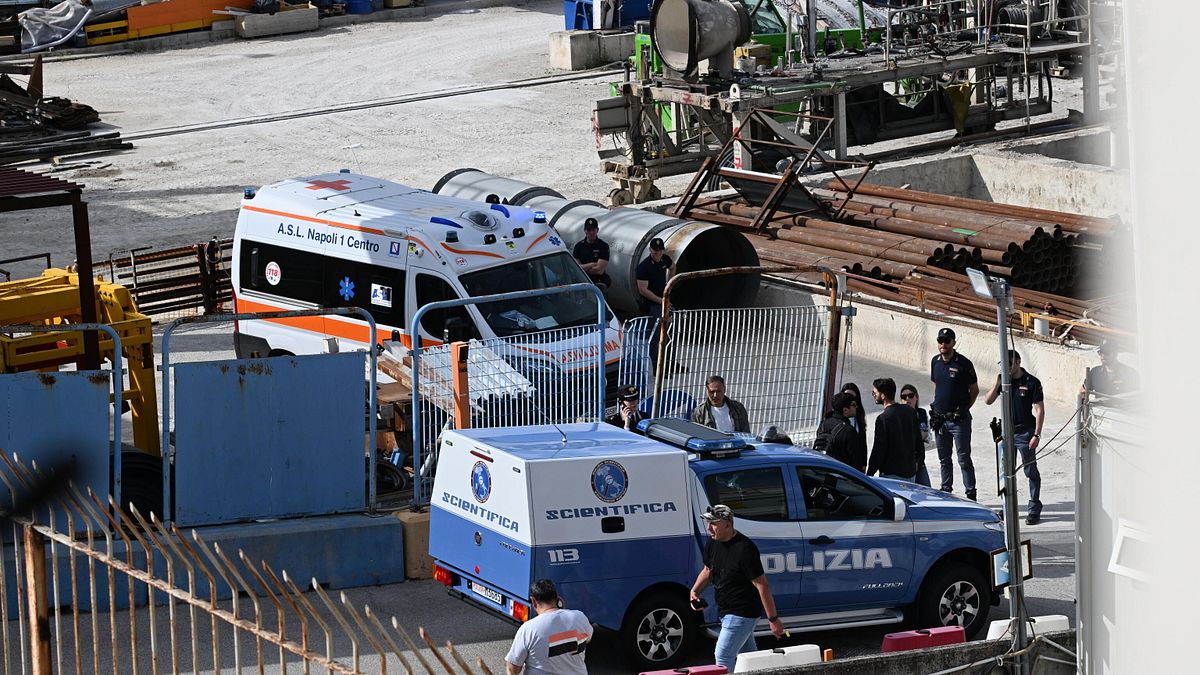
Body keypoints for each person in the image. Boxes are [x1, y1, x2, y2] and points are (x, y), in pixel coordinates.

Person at [690, 505, 784, 670]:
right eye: (707, 522)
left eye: (713, 523)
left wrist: (773, 620)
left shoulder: (745, 549)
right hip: (725, 610)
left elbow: (762, 585)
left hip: (743, 612)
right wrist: (695, 591)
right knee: (749, 656)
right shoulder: (713, 542)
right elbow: (708, 570)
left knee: (723, 655)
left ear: (727, 524)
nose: (708, 527)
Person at [985, 350, 1045, 525]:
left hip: (1025, 432)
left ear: (1018, 361)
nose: (1007, 367)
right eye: (1004, 364)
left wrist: (1037, 434)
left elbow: (1039, 409)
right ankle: (1007, 507)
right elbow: (988, 401)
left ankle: (1034, 507)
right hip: (1006, 433)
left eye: (1010, 363)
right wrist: (997, 383)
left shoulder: (1031, 382)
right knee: (1007, 473)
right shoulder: (1004, 382)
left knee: (1030, 471)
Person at [930, 327, 979, 500]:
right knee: (944, 459)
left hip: (959, 421)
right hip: (940, 420)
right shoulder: (935, 361)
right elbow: (937, 385)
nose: (943, 344)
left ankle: (971, 493)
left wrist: (964, 408)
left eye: (947, 341)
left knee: (964, 458)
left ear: (953, 343)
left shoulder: (964, 364)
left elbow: (974, 390)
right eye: (940, 341)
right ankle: (946, 490)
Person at [505, 579, 592, 675]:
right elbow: (587, 639)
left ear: (533, 601)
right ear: (558, 598)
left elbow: (512, 668)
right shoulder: (580, 617)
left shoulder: (529, 629)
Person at [867, 378, 921, 481]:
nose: (873, 394)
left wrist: (870, 473)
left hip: (891, 475)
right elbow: (918, 441)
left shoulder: (883, 419)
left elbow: (879, 449)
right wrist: (918, 462)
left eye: (875, 392)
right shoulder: (910, 411)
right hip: (910, 473)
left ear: (883, 396)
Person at [814, 392, 866, 472]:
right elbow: (856, 462)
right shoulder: (848, 430)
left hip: (823, 471)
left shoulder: (823, 425)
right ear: (845, 410)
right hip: (841, 475)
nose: (856, 407)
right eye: (853, 405)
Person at [899, 384, 933, 487]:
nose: (907, 399)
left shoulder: (921, 413)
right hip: (904, 462)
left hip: (919, 459)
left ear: (916, 397)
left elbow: (924, 434)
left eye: (910, 395)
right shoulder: (899, 415)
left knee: (927, 489)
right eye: (904, 397)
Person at [635, 237, 674, 316]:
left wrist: (670, 284)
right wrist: (661, 301)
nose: (659, 253)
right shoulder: (644, 267)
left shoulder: (665, 259)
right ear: (650, 249)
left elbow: (673, 267)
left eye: (661, 250)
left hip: (663, 299)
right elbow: (642, 290)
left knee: (672, 321)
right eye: (656, 250)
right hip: (651, 304)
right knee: (657, 325)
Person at [572, 218, 612, 291]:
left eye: (593, 230)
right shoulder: (579, 246)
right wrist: (591, 264)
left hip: (598, 280)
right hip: (582, 279)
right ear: (585, 231)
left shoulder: (603, 246)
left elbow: (599, 270)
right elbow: (576, 268)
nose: (591, 232)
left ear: (597, 230)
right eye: (588, 230)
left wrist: (583, 268)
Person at [839, 383, 870, 469]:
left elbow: (863, 444)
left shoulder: (858, 419)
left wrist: (864, 465)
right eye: (847, 396)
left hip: (855, 467)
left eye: (853, 398)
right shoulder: (835, 418)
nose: (850, 400)